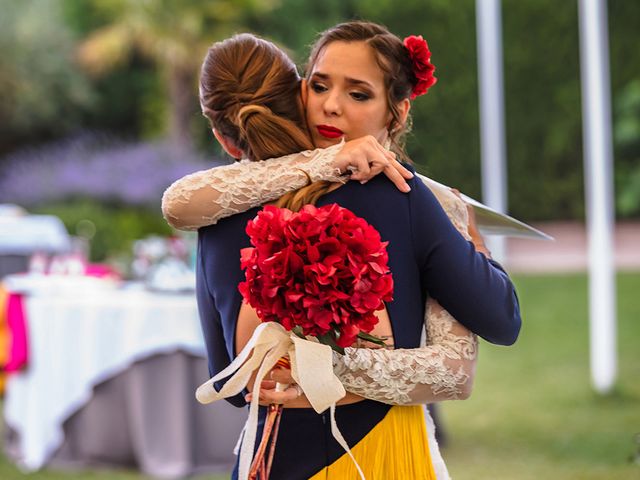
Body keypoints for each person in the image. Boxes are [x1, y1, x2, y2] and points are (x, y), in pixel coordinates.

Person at [165, 23, 520, 480]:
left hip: (267, 459)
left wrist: (312, 367)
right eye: (320, 86)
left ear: (395, 111)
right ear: (297, 93)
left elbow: (231, 384)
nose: (331, 105)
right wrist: (473, 243)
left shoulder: (216, 211)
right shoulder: (406, 199)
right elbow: (479, 346)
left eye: (358, 93)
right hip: (380, 456)